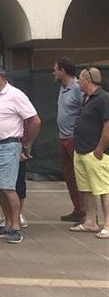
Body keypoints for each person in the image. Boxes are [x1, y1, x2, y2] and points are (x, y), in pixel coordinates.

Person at [0, 62, 41, 245]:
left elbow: (35, 121)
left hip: (8, 145)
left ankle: (15, 227)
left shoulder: (15, 95)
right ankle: (7, 225)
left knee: (8, 187)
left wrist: (27, 144)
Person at [70, 67, 109, 239]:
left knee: (103, 189)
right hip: (81, 151)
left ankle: (108, 224)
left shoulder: (103, 98)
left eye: (80, 78)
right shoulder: (86, 98)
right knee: (85, 189)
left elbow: (108, 125)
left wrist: (99, 149)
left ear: (87, 80)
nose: (78, 81)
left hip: (95, 152)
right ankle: (90, 222)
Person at [53, 57, 85, 223]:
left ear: (63, 71)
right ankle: (78, 209)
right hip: (62, 138)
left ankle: (86, 211)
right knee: (69, 175)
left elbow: (85, 109)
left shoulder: (77, 88)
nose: (53, 72)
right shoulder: (63, 87)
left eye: (55, 69)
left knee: (80, 176)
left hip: (74, 139)